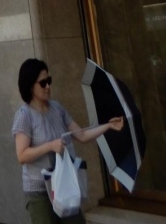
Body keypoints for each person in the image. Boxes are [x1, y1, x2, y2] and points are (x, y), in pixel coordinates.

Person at [13, 58, 125, 224]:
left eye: (49, 81)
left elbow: (82, 135)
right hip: (39, 191)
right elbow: (22, 155)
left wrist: (108, 126)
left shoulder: (57, 108)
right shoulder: (24, 115)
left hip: (64, 185)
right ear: (30, 86)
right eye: (43, 83)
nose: (48, 86)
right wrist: (50, 146)